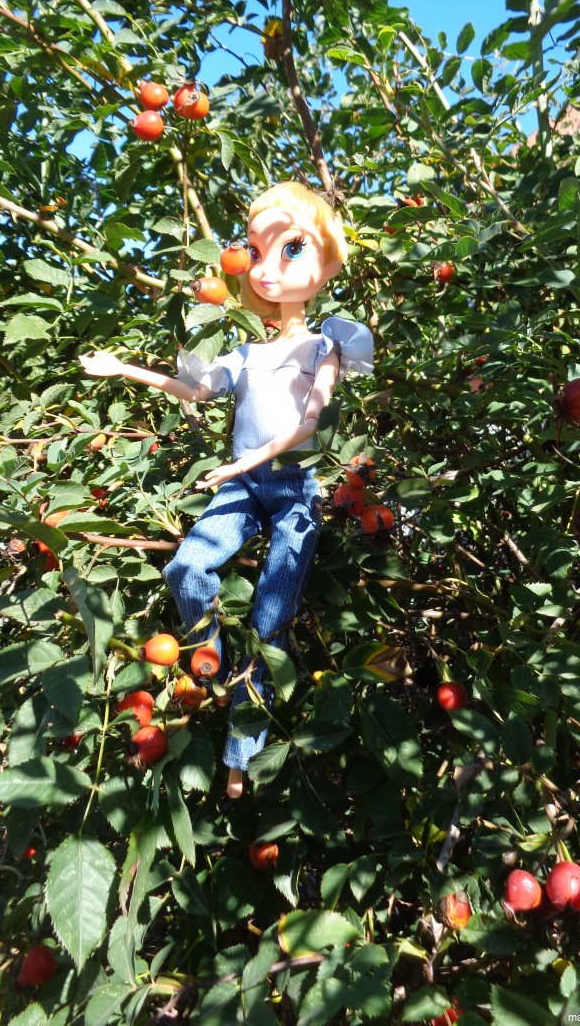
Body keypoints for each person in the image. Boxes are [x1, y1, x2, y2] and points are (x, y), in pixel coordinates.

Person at [80, 181, 373, 797]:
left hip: (293, 488)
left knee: (271, 618)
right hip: (243, 484)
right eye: (256, 252)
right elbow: (195, 390)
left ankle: (242, 753)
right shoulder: (243, 353)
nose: (266, 268)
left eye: (291, 249)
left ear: (326, 265)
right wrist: (125, 368)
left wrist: (246, 463)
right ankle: (210, 658)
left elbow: (309, 422)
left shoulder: (328, 344)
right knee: (187, 566)